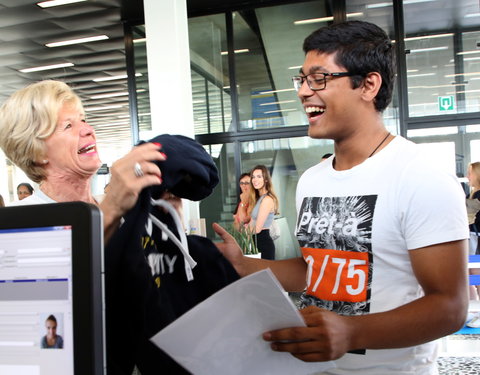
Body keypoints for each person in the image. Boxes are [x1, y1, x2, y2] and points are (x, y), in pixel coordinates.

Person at [213, 20, 468, 374]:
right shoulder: (312, 180)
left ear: (368, 84)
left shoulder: (421, 175)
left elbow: (450, 306)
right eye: (301, 80)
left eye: (319, 79)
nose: (303, 91)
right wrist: (244, 265)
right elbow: (314, 270)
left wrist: (349, 331)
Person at [0, 80, 165, 242]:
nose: (88, 130)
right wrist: (113, 207)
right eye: (68, 126)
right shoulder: (17, 223)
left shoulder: (113, 204)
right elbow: (74, 263)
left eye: (83, 120)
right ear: (36, 152)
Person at [247, 165, 279, 260]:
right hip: (255, 243)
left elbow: (257, 228)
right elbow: (251, 223)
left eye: (259, 176)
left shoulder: (267, 199)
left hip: (263, 243)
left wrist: (244, 234)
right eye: (253, 177)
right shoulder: (259, 198)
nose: (255, 180)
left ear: (266, 180)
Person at [466, 162, 480, 327]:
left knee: (476, 274)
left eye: (471, 173)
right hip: (472, 238)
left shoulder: (477, 197)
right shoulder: (472, 195)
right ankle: (473, 310)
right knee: (471, 274)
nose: (468, 176)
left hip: (476, 240)